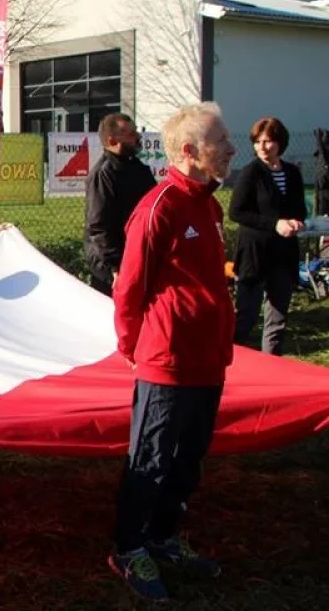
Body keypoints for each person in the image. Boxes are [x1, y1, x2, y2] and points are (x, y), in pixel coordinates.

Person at [109, 102, 236, 601]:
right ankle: (127, 547)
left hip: (209, 360)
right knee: (151, 459)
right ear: (189, 151)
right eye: (220, 141)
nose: (231, 149)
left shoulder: (208, 202)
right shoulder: (159, 205)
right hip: (167, 361)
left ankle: (161, 538)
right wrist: (130, 345)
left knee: (188, 462)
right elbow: (131, 286)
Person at [230, 116, 306, 356]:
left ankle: (272, 368)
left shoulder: (292, 172)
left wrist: (296, 221)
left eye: (268, 141)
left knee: (277, 320)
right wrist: (274, 224)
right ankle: (231, 367)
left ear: (280, 143)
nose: (262, 147)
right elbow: (236, 212)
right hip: (254, 254)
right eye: (257, 142)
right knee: (246, 317)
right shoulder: (250, 172)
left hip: (283, 255)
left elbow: (299, 208)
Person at [84, 113, 157, 296]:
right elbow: (99, 226)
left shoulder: (138, 169)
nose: (138, 138)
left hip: (139, 257)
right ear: (113, 140)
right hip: (113, 267)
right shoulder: (103, 174)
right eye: (131, 134)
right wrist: (116, 266)